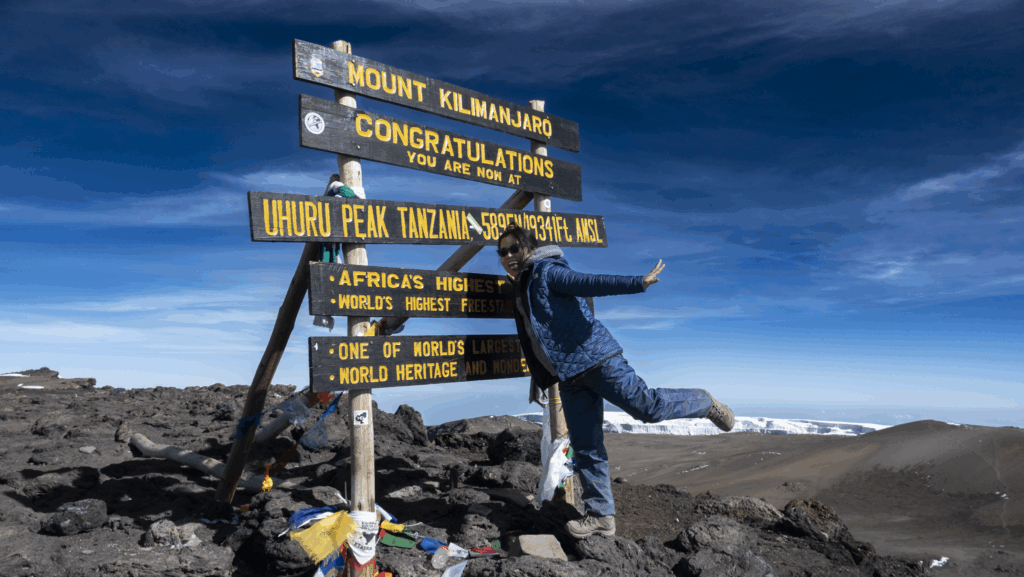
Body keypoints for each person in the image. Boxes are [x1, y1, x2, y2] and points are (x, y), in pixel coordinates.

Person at [497, 223, 735, 539]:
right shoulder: (523, 286)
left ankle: (704, 402)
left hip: (599, 361)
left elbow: (587, 282)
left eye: (514, 248)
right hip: (568, 375)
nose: (509, 255)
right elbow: (534, 330)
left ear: (528, 247)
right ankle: (601, 517)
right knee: (586, 446)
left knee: (647, 407)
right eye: (502, 252)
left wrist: (638, 283)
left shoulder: (546, 271)